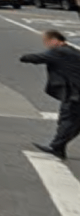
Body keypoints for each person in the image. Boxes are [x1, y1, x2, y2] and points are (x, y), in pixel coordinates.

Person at [20, 29, 80, 159]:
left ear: (54, 40)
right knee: (73, 123)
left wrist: (24, 57)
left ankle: (56, 147)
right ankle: (59, 147)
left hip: (74, 94)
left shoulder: (60, 52)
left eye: (46, 41)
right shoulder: (72, 51)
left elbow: (38, 58)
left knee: (67, 120)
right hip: (75, 92)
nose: (46, 45)